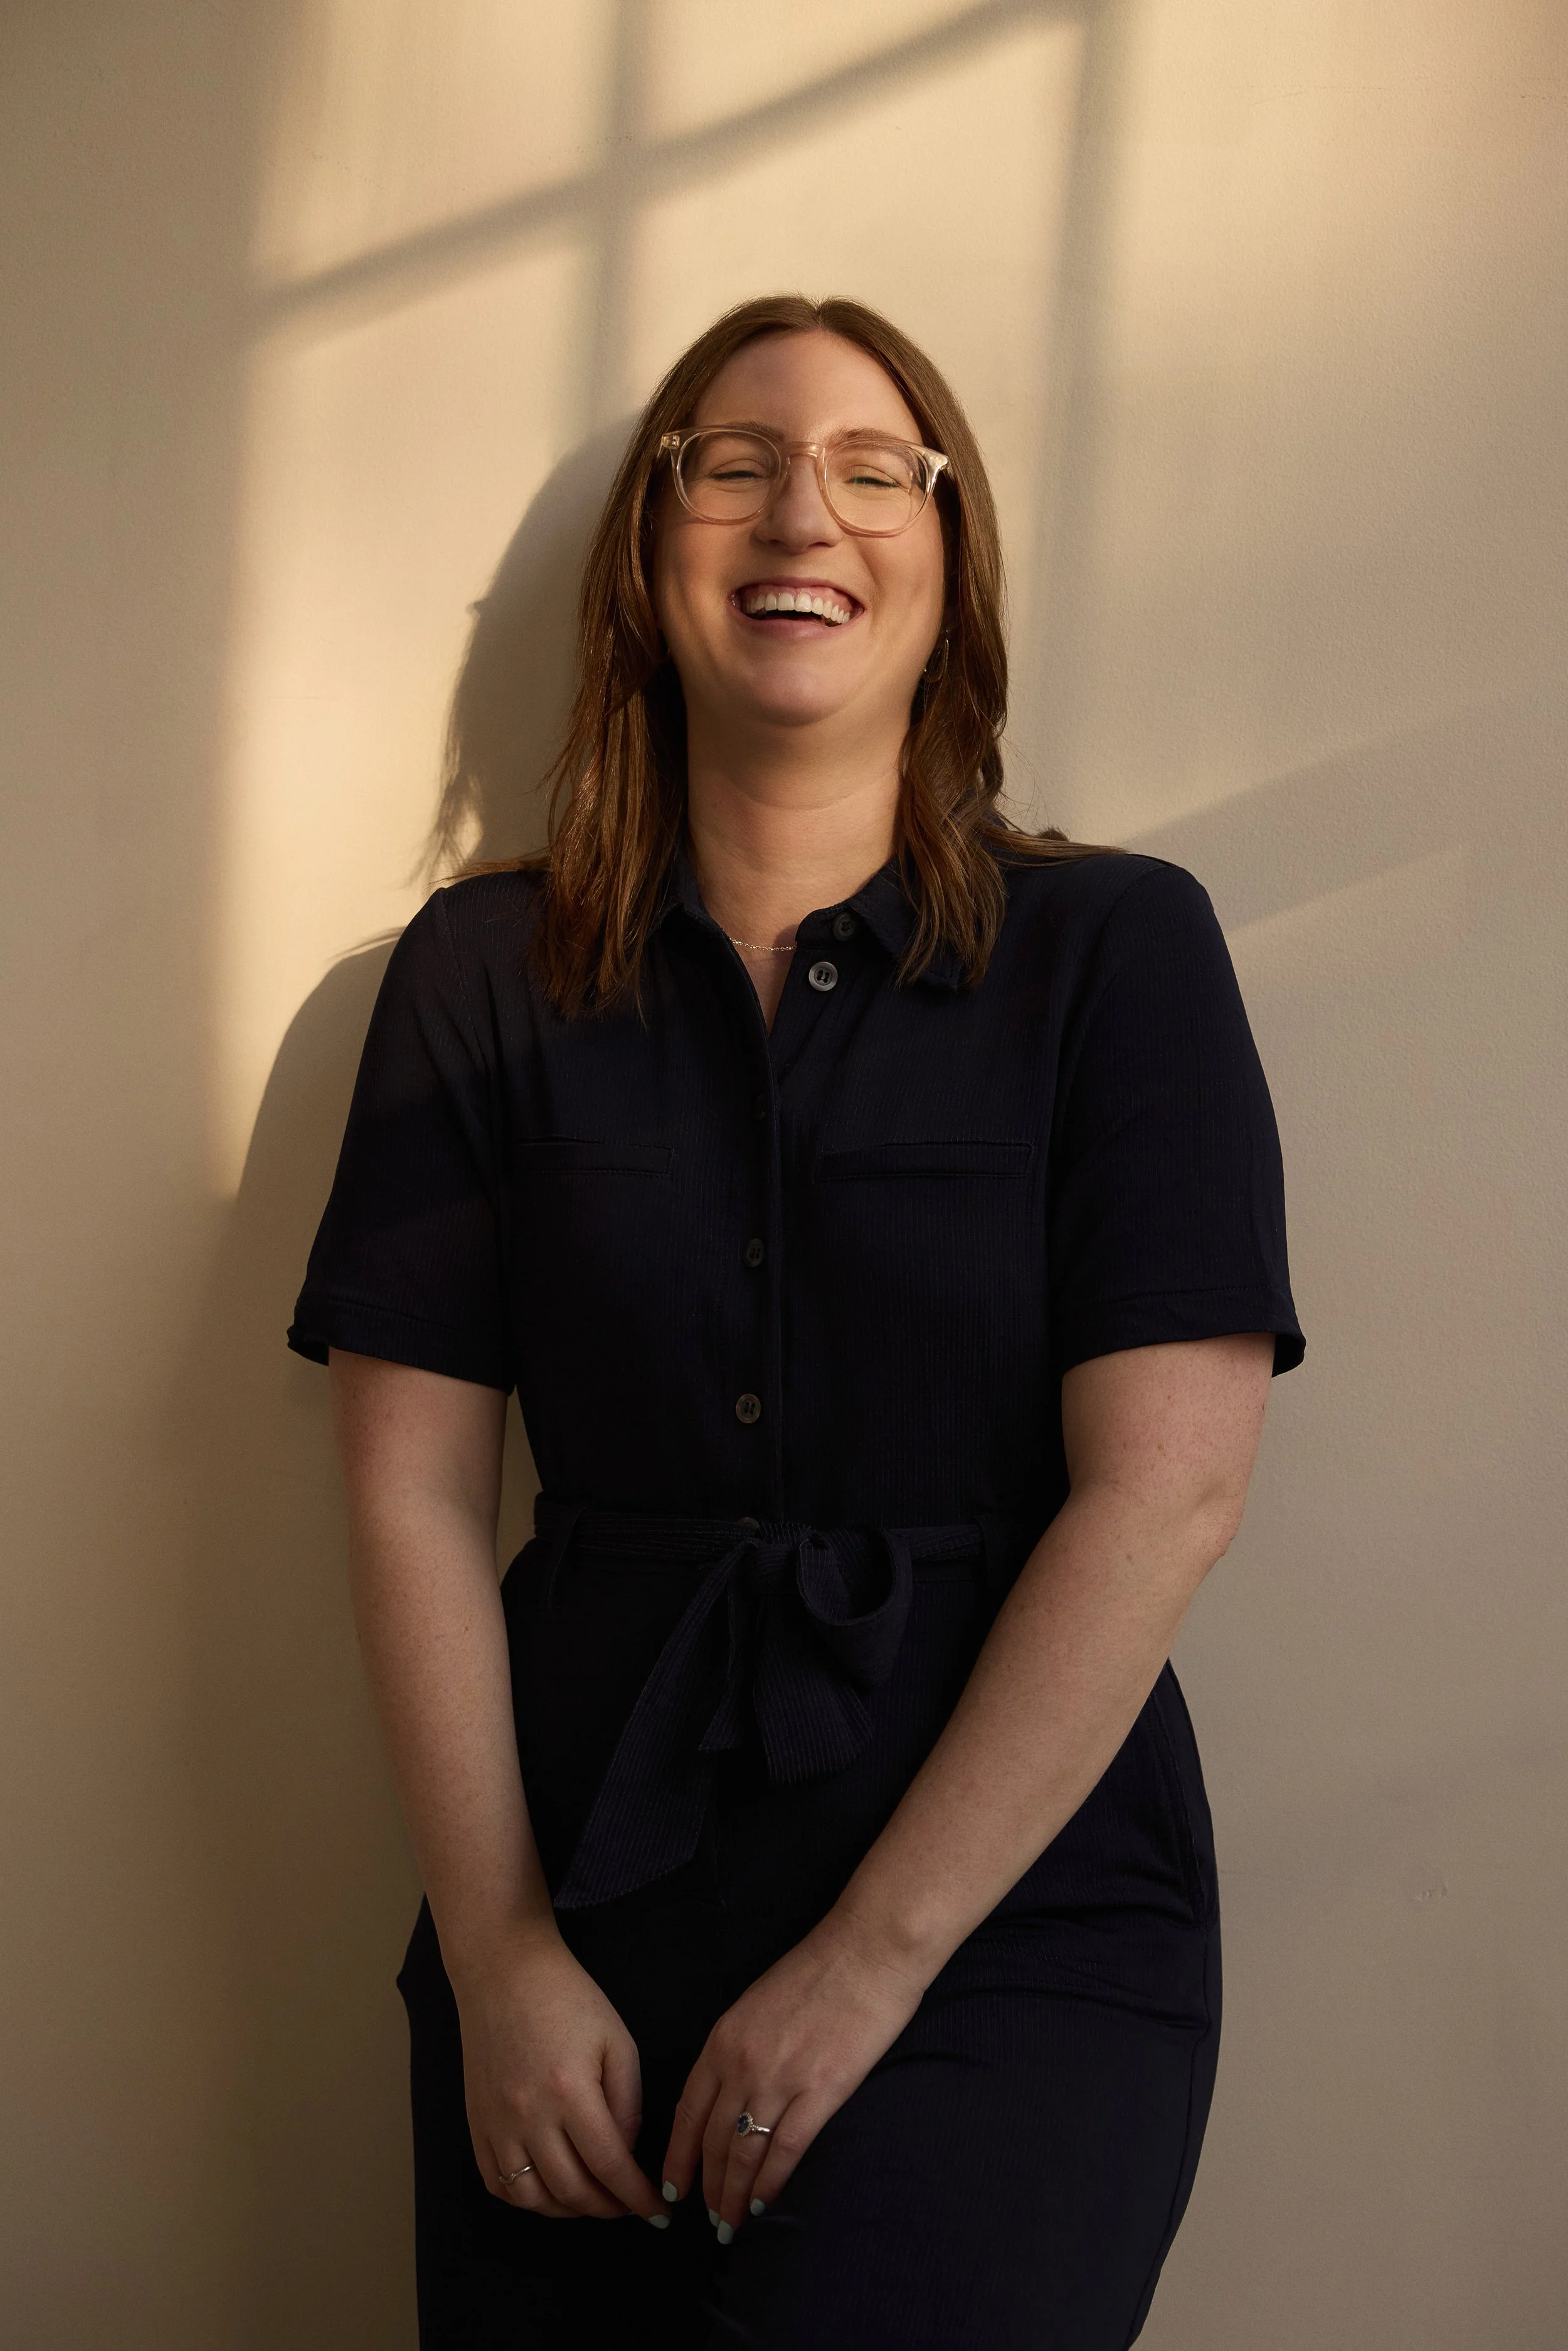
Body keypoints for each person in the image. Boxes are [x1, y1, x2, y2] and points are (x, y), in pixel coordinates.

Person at [288, 292, 1304, 2349]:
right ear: (651, 549)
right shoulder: (478, 978)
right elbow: (409, 1493)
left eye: (871, 465)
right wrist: (497, 1957)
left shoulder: (1117, 954)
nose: (800, 510)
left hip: (1006, 1918)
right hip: (567, 1921)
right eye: (734, 460)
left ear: (952, 557)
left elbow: (1166, 1492)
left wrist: (873, 1955)